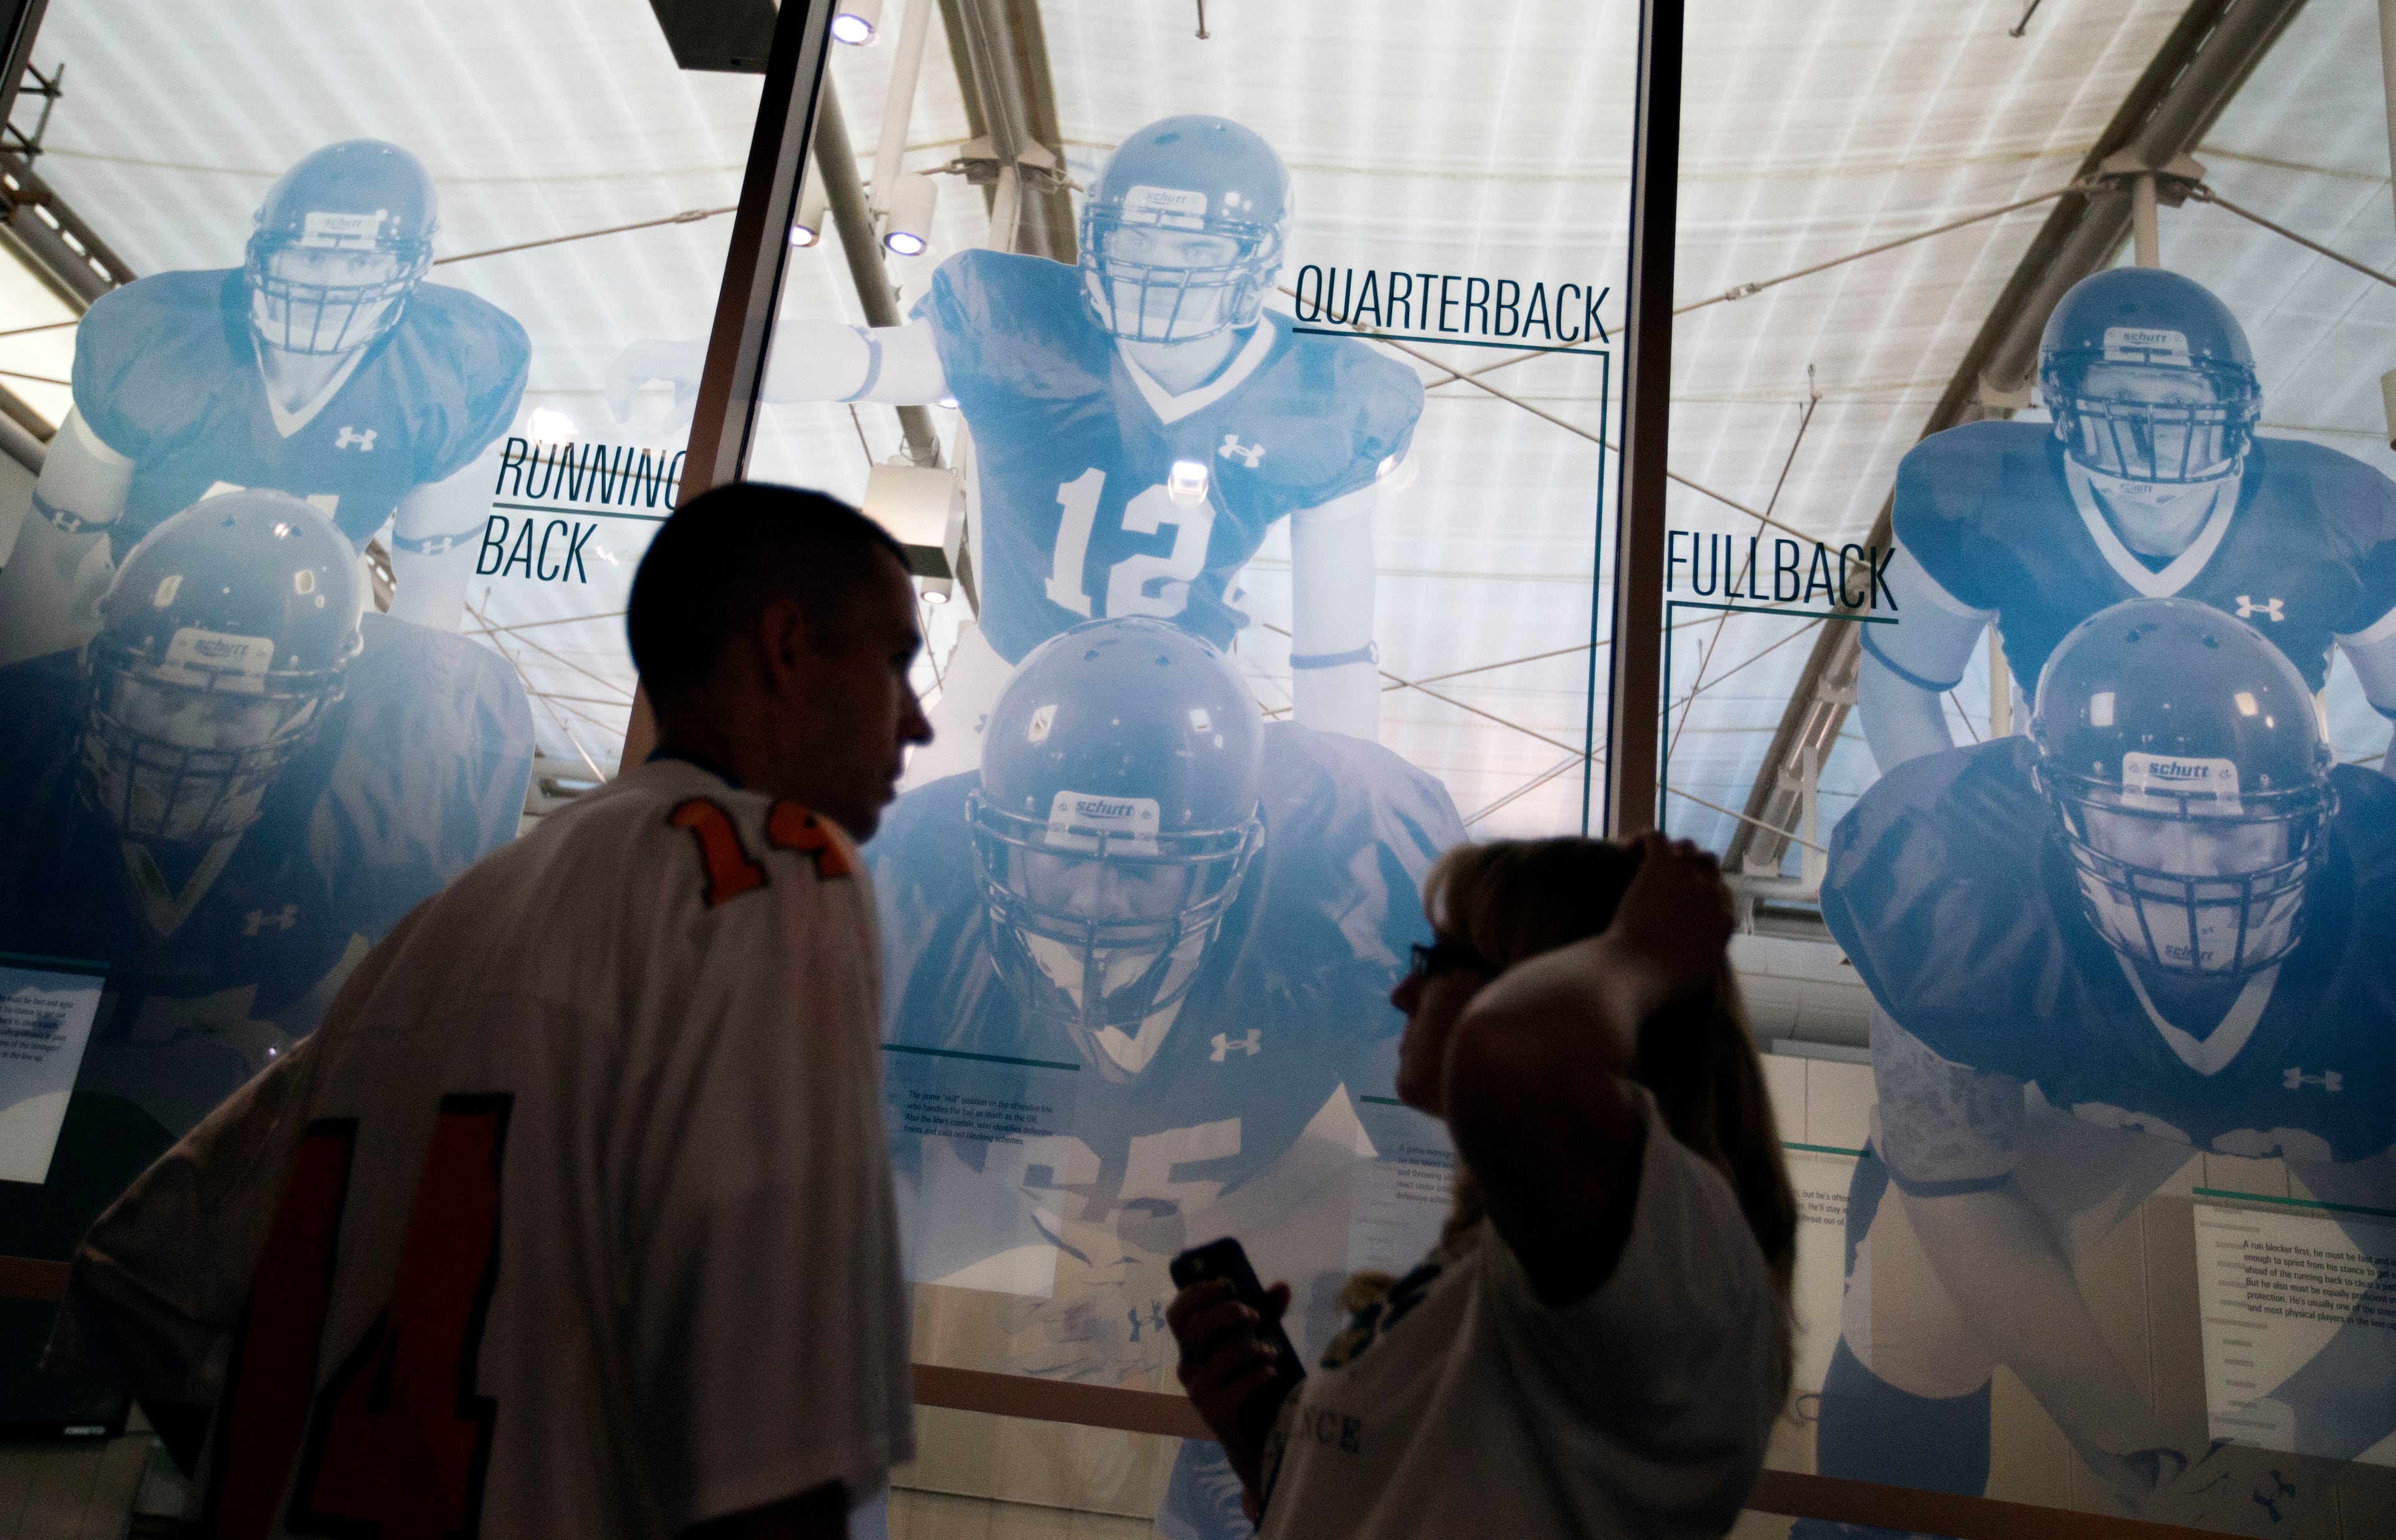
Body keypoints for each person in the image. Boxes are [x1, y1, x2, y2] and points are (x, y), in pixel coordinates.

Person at [43, 484, 930, 1538]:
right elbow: (777, 1459)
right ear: (785, 645)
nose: (914, 717)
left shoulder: (440, 926)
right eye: (895, 661)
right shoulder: (764, 863)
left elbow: (136, 1279)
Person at [1807, 597, 2396, 1536]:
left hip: (2331, 1060)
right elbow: (1952, 1179)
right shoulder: (1948, 871)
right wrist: (2131, 1452)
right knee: (1915, 1325)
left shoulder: (2381, 915)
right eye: (2144, 825)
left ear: (2315, 820)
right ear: (2052, 810)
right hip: (2080, 1082)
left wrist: (2288, 1442)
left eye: (2232, 828)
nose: (2188, 868)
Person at [868, 613, 1465, 1538]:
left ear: (1240, 857)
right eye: (1064, 855)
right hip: (998, 1177)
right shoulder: (908, 885)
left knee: (1418, 1204)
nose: (1095, 899)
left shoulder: (1343, 870)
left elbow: (1447, 1188)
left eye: (1143, 869)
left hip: (1246, 1190)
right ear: (993, 840)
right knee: (840, 1240)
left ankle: (1258, 1480)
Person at [610, 114, 1423, 774]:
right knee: (910, 888)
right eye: (1138, 241)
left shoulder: (1326, 399)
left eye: (1194, 249)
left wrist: (1354, 792)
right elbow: (867, 360)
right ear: (1100, 238)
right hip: (1001, 687)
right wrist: (721, 360)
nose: (1157, 269)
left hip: (1182, 712)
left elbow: (1335, 648)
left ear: (1255, 261)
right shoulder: (1030, 327)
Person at [1167, 833, 1796, 1539]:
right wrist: (1274, 1447)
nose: (1402, 992)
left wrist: (1644, 950)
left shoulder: (1681, 1247)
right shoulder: (1502, 1269)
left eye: (1436, 961)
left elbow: (1506, 1056)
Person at [0, 139, 530, 663]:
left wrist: (394, 722)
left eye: (362, 264)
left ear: (409, 274)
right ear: (265, 253)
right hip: (128, 627)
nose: (331, 286)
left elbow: (431, 600)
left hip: (314, 653)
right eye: (314, 256)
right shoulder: (160, 336)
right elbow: (53, 554)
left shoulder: (452, 368)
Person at [1857, 267, 2396, 773]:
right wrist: (1949, 827)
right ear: (2066, 404)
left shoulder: (2337, 509)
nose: (2148, 427)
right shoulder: (1980, 492)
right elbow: (1900, 690)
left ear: (2237, 409)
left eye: (2178, 398)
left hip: (2275, 828)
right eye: (2118, 397)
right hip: (2059, 818)